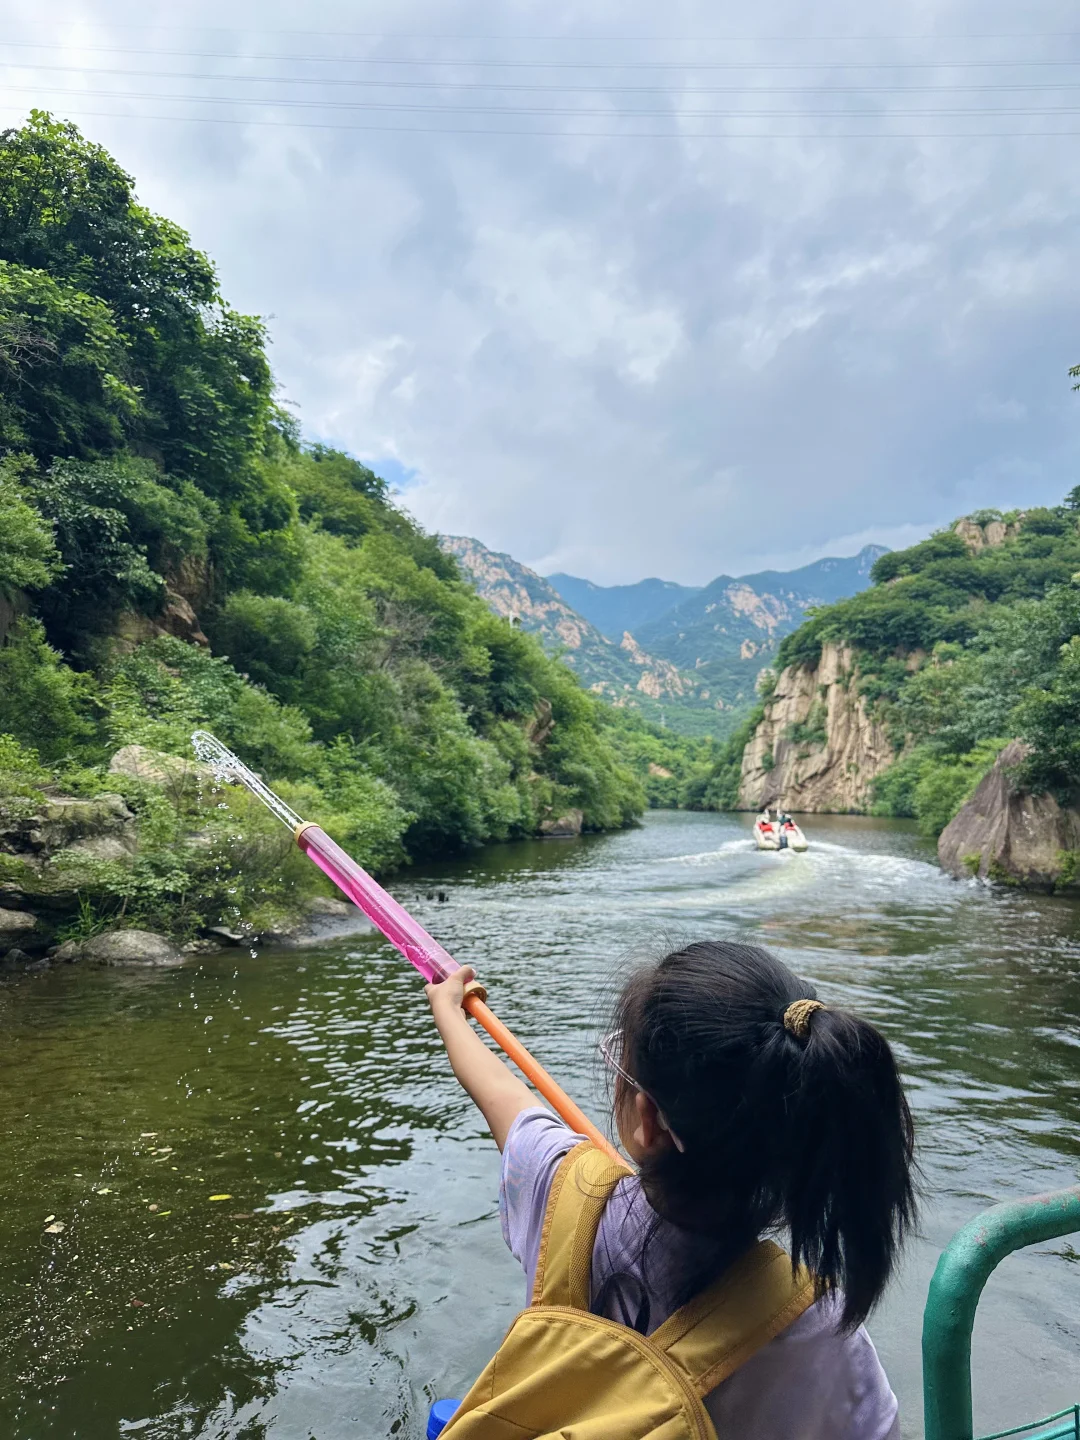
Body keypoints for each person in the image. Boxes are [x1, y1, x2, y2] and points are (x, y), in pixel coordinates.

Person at [426, 940, 916, 1440]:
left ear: (648, 1121)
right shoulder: (819, 1328)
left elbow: (502, 1095)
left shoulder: (561, 1194)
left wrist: (449, 1013)